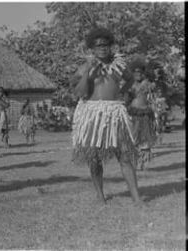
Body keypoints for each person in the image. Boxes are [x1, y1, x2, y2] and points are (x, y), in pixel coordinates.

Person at [71, 27, 142, 205]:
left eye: (106, 44)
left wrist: (123, 94)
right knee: (94, 158)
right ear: (92, 48)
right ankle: (100, 196)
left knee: (125, 155)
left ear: (111, 46)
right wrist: (88, 73)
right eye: (98, 45)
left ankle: (136, 198)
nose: (102, 48)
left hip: (115, 112)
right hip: (93, 114)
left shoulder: (119, 65)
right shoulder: (84, 67)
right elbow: (79, 93)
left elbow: (131, 79)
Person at [127, 59, 157, 171]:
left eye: (140, 72)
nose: (138, 74)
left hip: (145, 115)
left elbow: (153, 96)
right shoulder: (129, 85)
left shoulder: (148, 84)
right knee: (133, 138)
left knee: (144, 138)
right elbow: (125, 98)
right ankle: (134, 162)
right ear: (132, 73)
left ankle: (143, 163)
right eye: (135, 72)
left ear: (143, 73)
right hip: (133, 115)